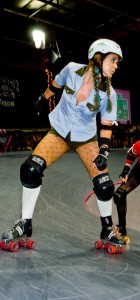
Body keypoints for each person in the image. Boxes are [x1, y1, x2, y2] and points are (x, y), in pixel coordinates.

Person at [2, 38, 124, 245]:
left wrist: (104, 151)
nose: (116, 66)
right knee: (31, 170)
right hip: (59, 132)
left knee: (104, 185)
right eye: (112, 60)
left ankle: (107, 229)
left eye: (117, 62)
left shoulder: (110, 94)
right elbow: (55, 86)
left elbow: (106, 126)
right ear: (98, 57)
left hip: (86, 139)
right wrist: (42, 99)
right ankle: (25, 222)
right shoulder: (71, 70)